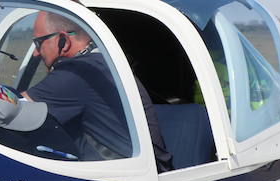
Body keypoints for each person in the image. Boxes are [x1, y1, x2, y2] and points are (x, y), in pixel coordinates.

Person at [22, 11, 172, 171]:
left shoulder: (78, 73)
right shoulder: (100, 63)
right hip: (144, 172)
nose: (36, 53)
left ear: (64, 41)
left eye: (38, 43)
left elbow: (12, 112)